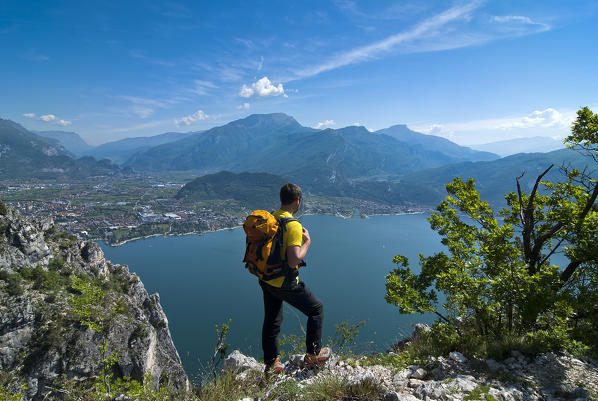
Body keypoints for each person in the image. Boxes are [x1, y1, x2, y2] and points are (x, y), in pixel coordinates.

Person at [260, 183, 330, 374]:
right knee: (316, 309)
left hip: (267, 279)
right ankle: (313, 354)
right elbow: (293, 260)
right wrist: (307, 242)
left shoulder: (271, 218)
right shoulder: (292, 225)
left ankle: (271, 363)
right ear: (298, 201)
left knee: (272, 320)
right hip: (285, 282)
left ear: (282, 198)